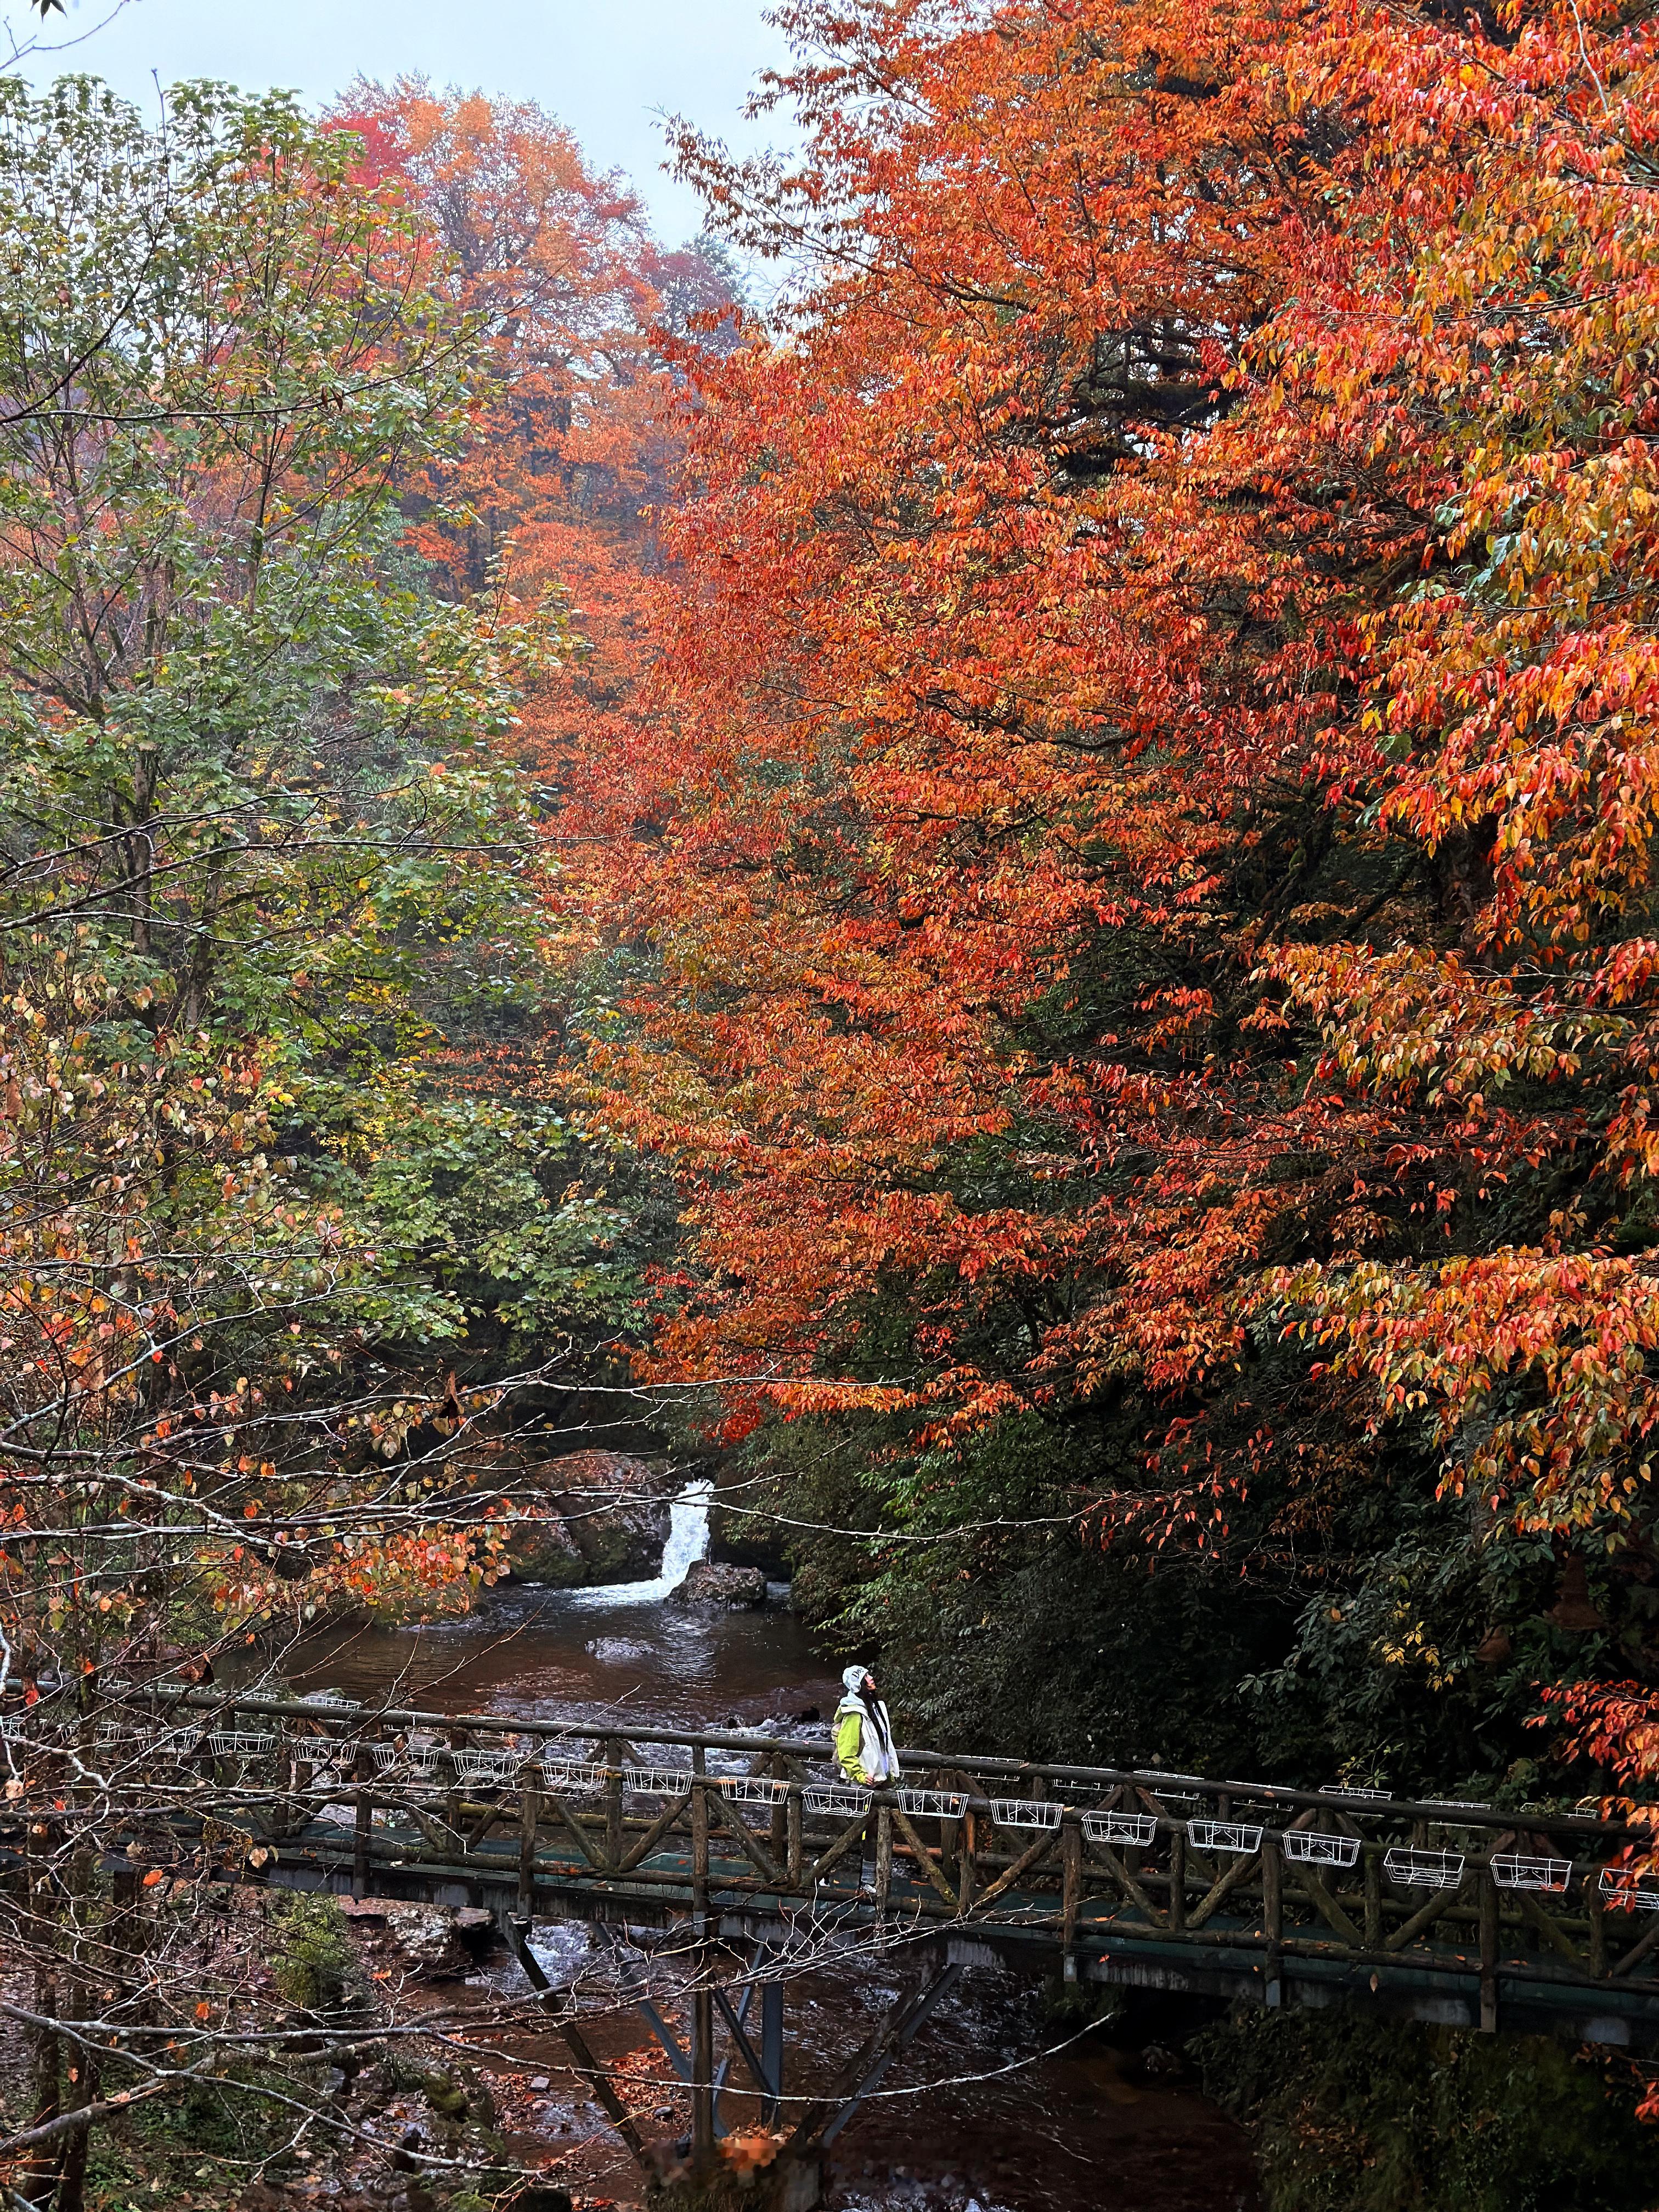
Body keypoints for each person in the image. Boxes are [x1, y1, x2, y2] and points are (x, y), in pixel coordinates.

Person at [833, 1664, 900, 1787]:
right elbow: (847, 1752)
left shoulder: (874, 1707)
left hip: (878, 1780)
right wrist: (860, 1775)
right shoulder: (854, 1715)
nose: (871, 1678)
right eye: (865, 1677)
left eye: (868, 1675)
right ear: (859, 1686)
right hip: (863, 1784)